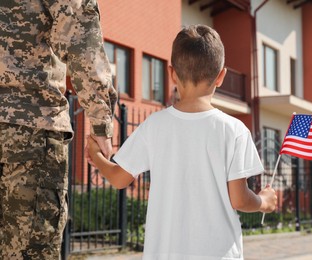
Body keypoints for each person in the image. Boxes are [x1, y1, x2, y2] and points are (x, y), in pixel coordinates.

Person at [87, 24, 277, 260]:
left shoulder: (154, 125)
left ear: (172, 73)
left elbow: (118, 178)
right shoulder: (235, 130)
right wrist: (263, 202)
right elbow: (239, 199)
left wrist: (96, 156)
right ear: (221, 76)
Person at [0, 0, 116, 259]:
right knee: (32, 250)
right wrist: (100, 122)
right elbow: (81, 38)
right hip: (30, 130)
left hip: (28, 133)